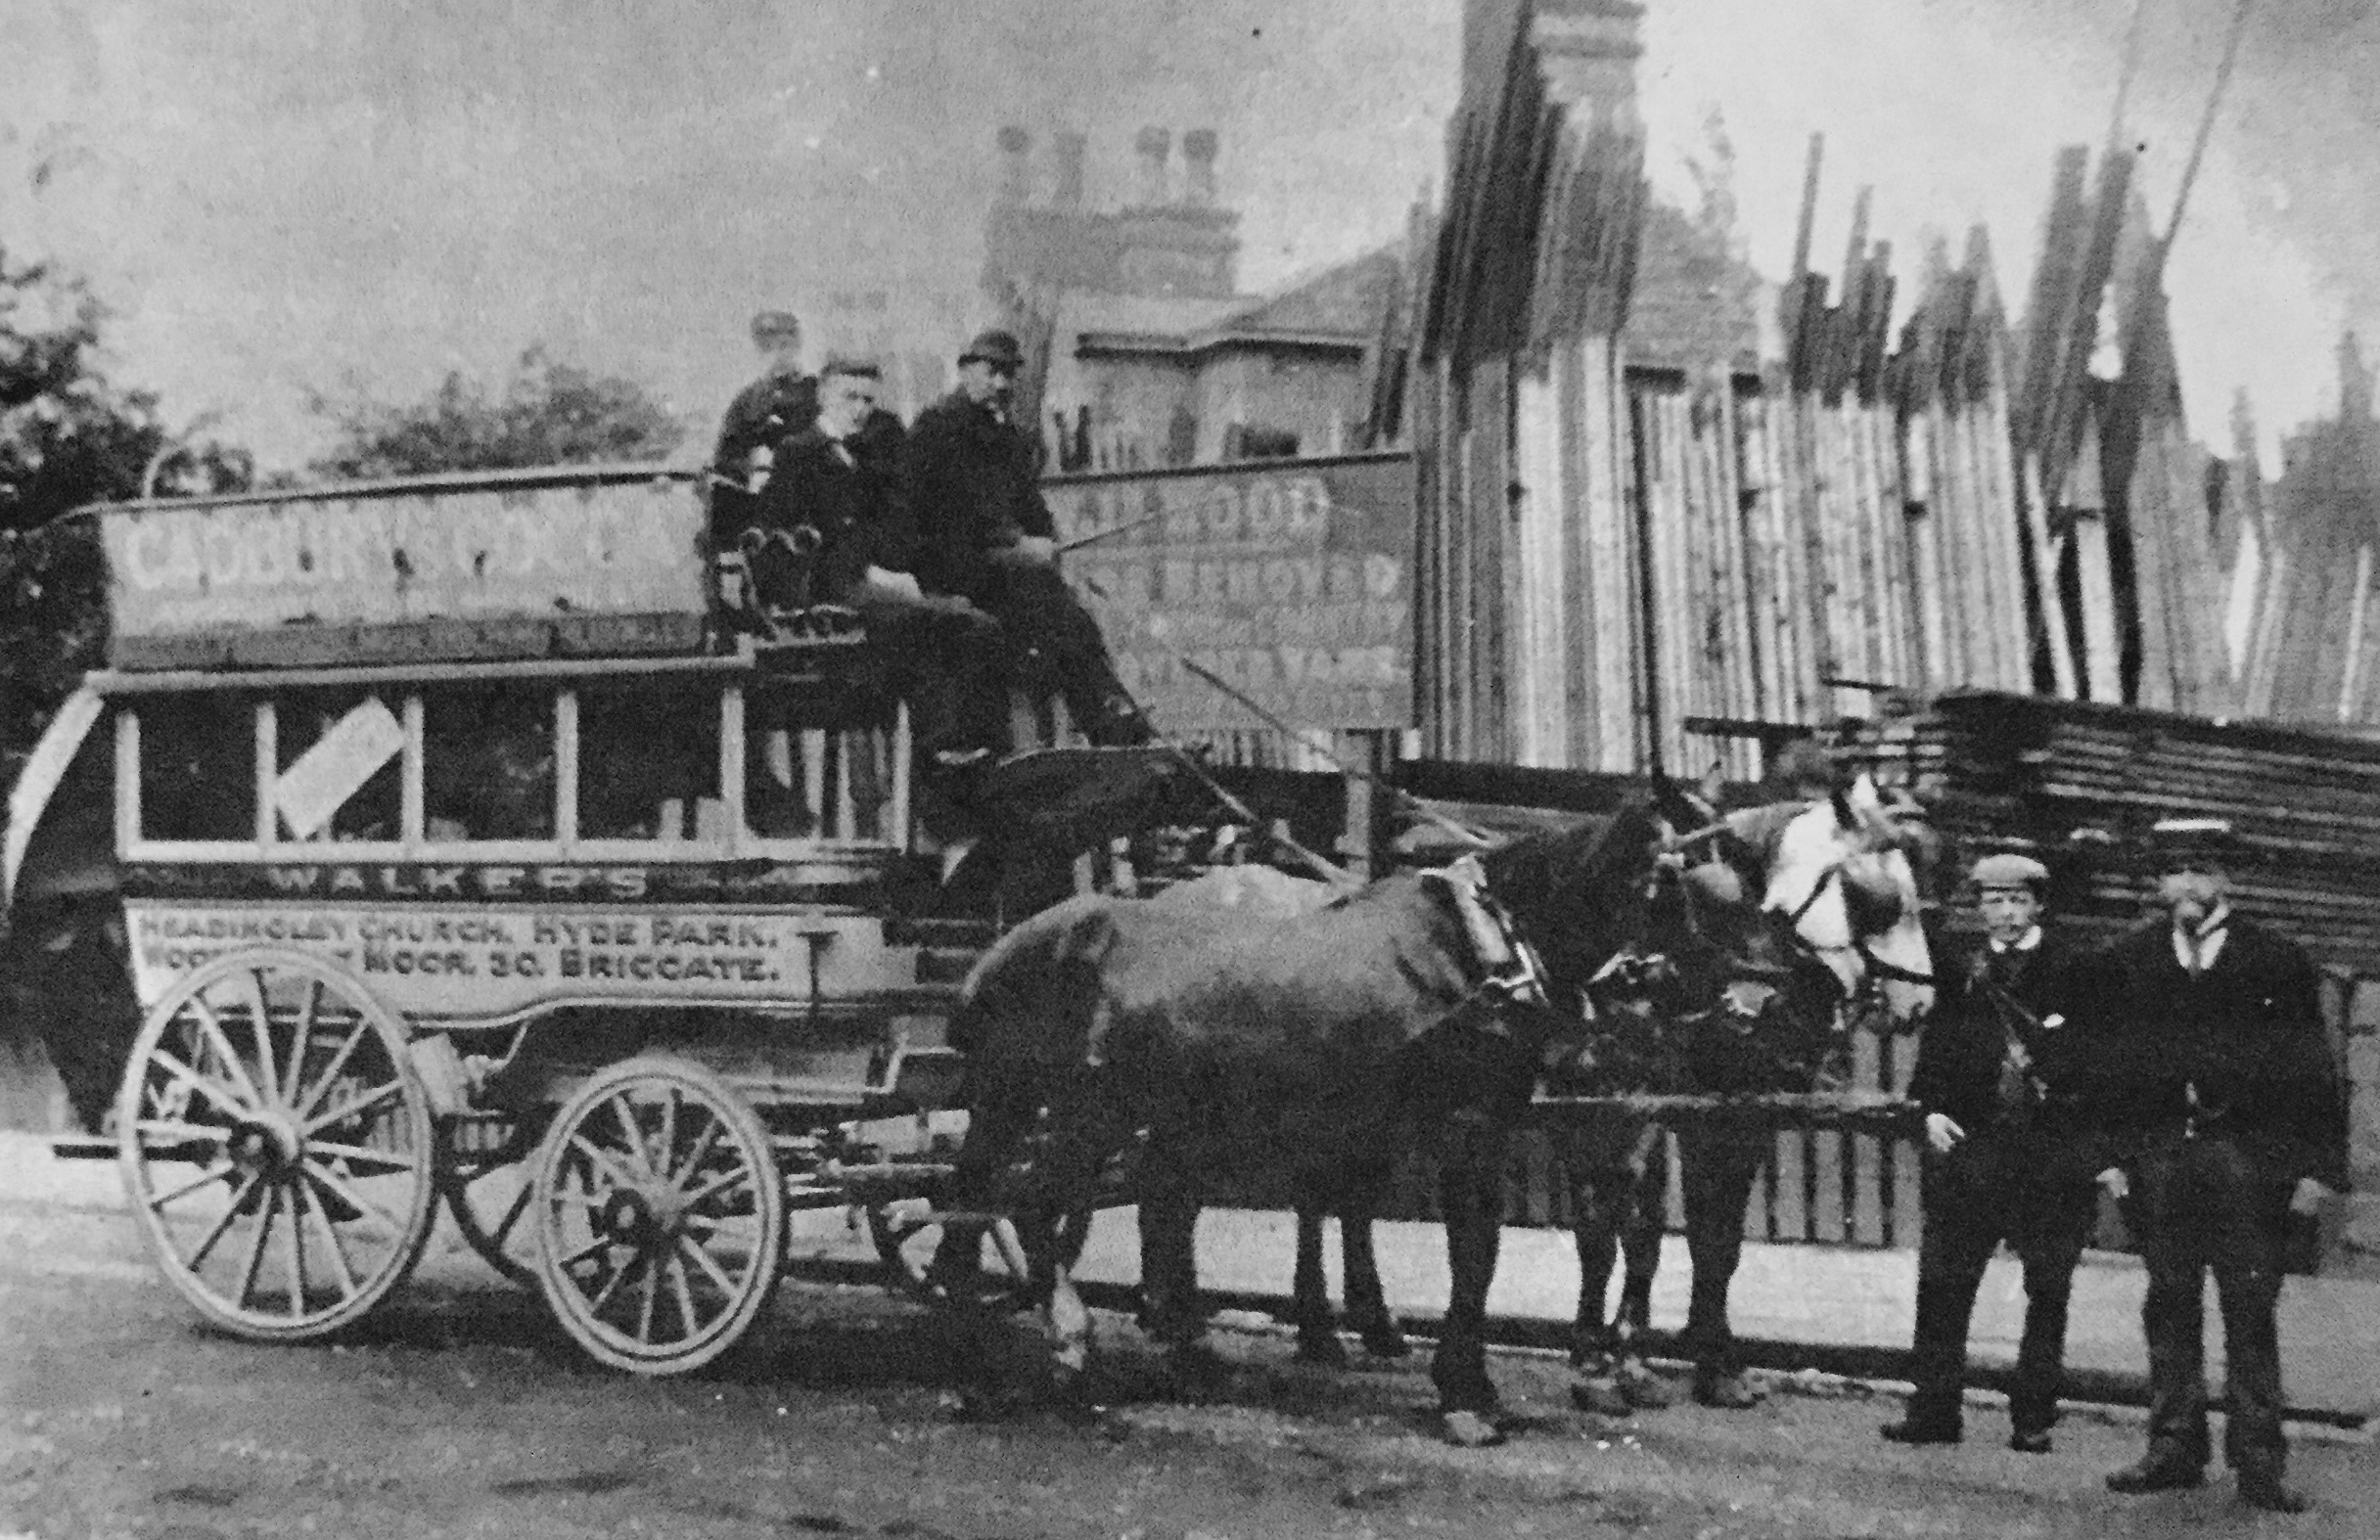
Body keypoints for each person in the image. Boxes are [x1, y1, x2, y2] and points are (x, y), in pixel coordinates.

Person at [2096, 817, 2347, 1514]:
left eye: (2201, 870)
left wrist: (2316, 1170)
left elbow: (2314, 1070)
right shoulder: (2133, 957)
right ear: (2158, 883)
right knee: (2169, 1304)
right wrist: (2112, 1159)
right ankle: (2174, 1447)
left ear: (2227, 879)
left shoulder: (2277, 959)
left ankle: (2260, 1462)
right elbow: (2110, 1071)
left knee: (2249, 1309)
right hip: (2162, 1159)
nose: (2188, 885)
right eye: (2174, 871)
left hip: (2249, 1162)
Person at [1882, 850, 2103, 1452]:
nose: (2005, 914)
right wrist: (1928, 1113)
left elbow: (2096, 1067)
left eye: (2017, 901)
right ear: (1979, 908)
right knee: (1944, 1286)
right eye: (1993, 901)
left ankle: (2032, 1418)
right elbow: (1935, 1058)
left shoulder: (2074, 970)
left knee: (2047, 1293)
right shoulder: (1961, 971)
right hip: (1972, 1153)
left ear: (2038, 905)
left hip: (2047, 1158)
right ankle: (1933, 1412)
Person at [746, 355, 1008, 776]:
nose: (860, 409)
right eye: (850, 397)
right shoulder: (798, 455)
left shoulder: (872, 455)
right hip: (827, 594)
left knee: (975, 622)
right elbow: (789, 543)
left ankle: (976, 758)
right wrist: (870, 574)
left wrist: (898, 570)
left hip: (875, 587)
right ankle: (948, 749)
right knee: (964, 627)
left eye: (868, 399)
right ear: (824, 396)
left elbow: (896, 527)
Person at [900, 328, 1152, 747]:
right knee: (1042, 596)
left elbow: (1031, 506)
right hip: (950, 565)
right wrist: (1016, 543)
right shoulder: (936, 428)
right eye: (990, 372)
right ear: (965, 371)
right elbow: (949, 512)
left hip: (1002, 569)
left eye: (1007, 375)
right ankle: (1100, 714)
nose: (1000, 384)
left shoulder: (1009, 439)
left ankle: (1107, 716)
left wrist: (1044, 540)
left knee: (1065, 608)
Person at [711, 309, 819, 492]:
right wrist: (751, 467)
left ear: (797, 345)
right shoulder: (747, 399)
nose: (777, 353)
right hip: (757, 493)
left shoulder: (814, 391)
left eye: (784, 344)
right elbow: (727, 453)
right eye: (767, 346)